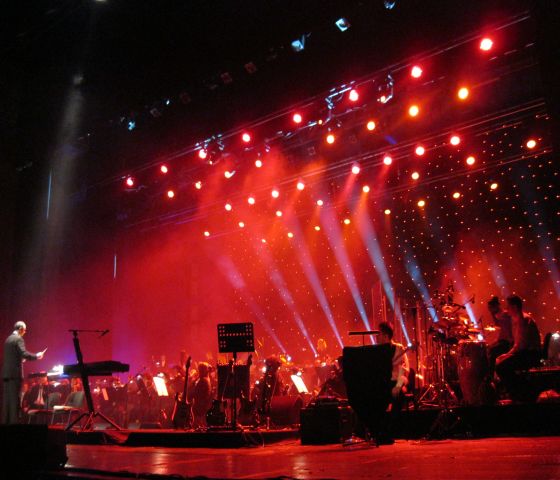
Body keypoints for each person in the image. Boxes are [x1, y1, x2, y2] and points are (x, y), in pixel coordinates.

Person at [495, 295, 541, 401]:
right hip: (525, 352)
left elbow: (521, 345)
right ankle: (519, 392)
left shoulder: (523, 320)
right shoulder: (517, 319)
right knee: (502, 363)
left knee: (501, 367)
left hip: (530, 354)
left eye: (508, 306)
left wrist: (506, 355)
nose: (507, 309)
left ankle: (519, 394)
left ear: (515, 307)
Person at [2, 321, 45, 424]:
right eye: (25, 330)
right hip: (15, 375)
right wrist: (37, 356)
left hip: (6, 374)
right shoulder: (18, 339)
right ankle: (14, 427)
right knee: (15, 402)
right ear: (20, 329)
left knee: (7, 402)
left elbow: (12, 356)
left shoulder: (8, 339)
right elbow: (24, 353)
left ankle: (5, 425)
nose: (25, 332)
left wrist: (21, 359)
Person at [487, 296, 514, 369]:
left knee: (492, 351)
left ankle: (492, 372)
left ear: (495, 306)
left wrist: (493, 313)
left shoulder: (505, 314)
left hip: (508, 342)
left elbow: (499, 322)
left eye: (490, 308)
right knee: (489, 348)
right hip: (504, 341)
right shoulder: (500, 315)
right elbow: (498, 324)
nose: (489, 310)